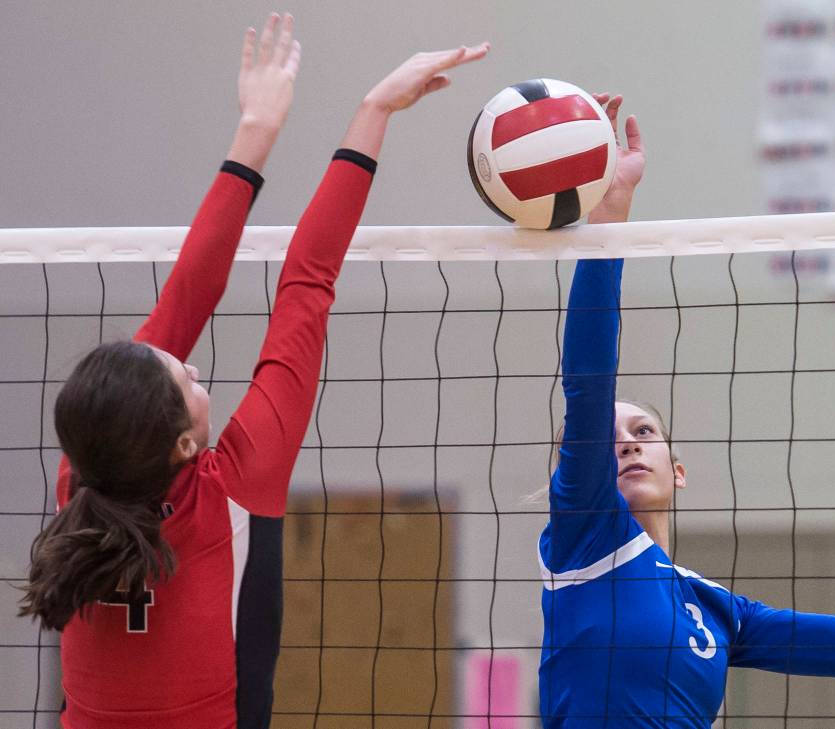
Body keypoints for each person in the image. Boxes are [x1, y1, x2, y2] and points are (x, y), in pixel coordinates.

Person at [18, 13, 488, 728]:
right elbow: (305, 282)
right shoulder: (227, 491)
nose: (195, 362)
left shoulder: (85, 471)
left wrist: (258, 131)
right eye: (191, 381)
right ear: (182, 444)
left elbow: (198, 295)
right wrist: (372, 110)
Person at [538, 95, 835, 728]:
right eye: (609, 437)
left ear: (679, 469)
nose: (625, 443)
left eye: (643, 431)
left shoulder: (714, 608)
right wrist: (613, 218)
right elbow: (589, 382)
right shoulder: (584, 537)